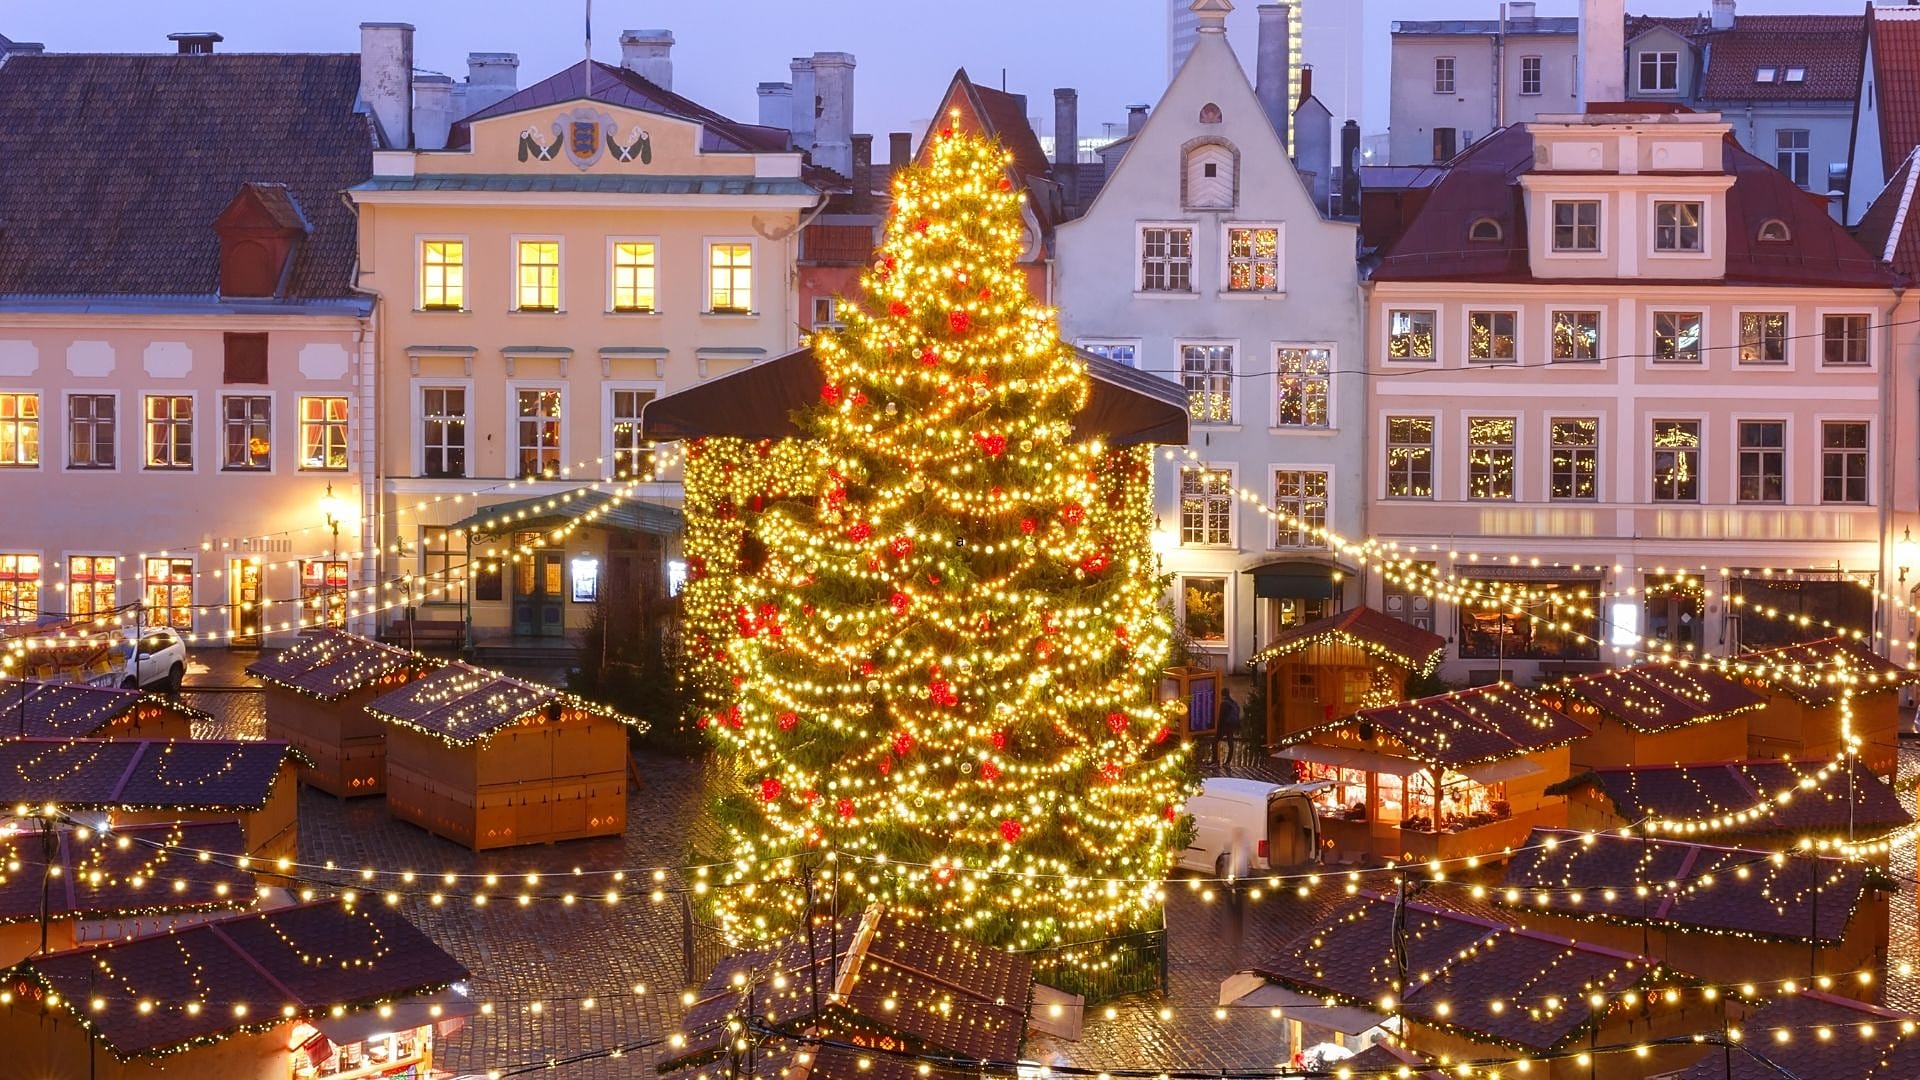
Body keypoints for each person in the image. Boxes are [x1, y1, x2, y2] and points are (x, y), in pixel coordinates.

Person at [1215, 687, 1242, 767]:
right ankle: (1228, 762)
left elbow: (1221, 717)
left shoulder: (1224, 703)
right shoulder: (1233, 702)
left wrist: (1219, 728)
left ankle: (1215, 760)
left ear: (1222, 695)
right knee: (1230, 742)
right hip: (1232, 725)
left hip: (1225, 725)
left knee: (1215, 741)